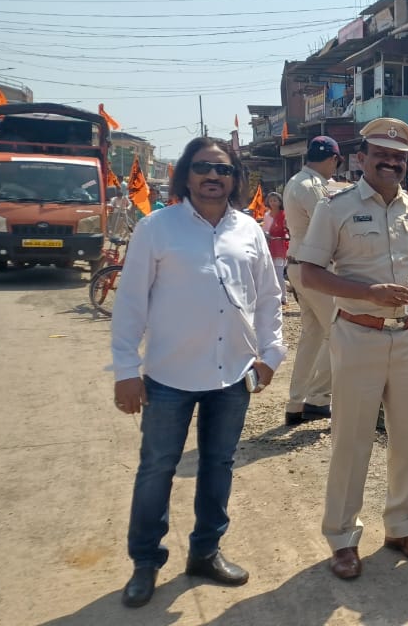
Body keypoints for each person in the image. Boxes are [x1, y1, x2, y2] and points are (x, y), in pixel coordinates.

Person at [110, 136, 285, 608]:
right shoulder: (157, 229)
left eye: (223, 169)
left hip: (233, 376)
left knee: (218, 466)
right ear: (186, 174)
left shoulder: (248, 230)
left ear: (235, 178)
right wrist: (126, 369)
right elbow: (130, 303)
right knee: (157, 470)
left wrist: (271, 354)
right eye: (204, 167)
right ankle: (145, 561)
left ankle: (206, 552)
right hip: (169, 375)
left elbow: (269, 295)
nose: (214, 176)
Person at [298, 117, 408, 579]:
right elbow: (309, 272)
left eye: (399, 157)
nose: (391, 162)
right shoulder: (336, 207)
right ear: (362, 158)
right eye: (382, 154)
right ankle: (342, 537)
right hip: (358, 334)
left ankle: (403, 526)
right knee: (352, 440)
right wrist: (368, 293)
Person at [282, 136, 341, 426]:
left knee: (313, 336)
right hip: (314, 268)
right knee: (339, 331)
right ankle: (317, 399)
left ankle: (297, 402)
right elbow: (329, 224)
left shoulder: (296, 182)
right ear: (332, 159)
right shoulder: (313, 187)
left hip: (298, 265)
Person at [262, 191, 289, 306]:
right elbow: (265, 230)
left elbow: (288, 230)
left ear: (280, 202)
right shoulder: (267, 215)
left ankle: (283, 296)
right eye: (271, 200)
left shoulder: (285, 214)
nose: (273, 203)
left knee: (278, 273)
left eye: (275, 200)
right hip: (270, 245)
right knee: (269, 273)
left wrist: (286, 236)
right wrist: (266, 235)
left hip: (281, 245)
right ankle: (273, 296)